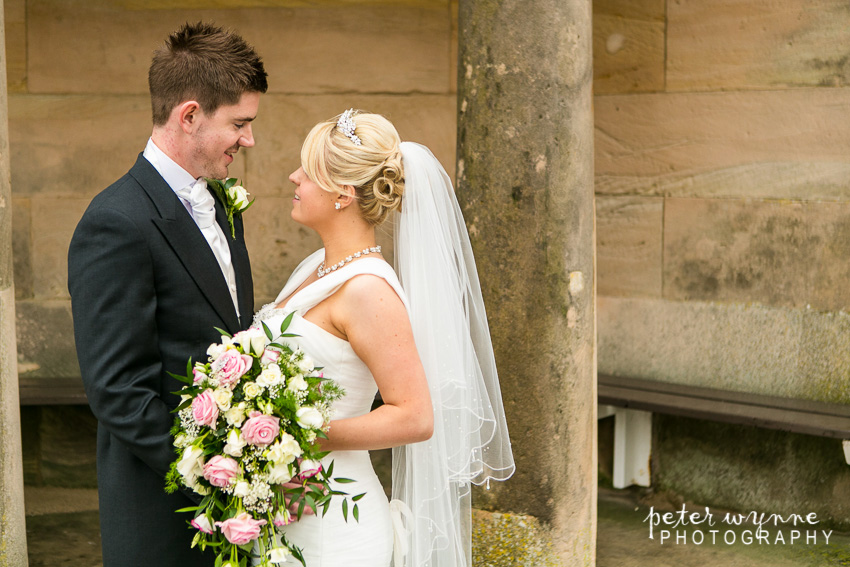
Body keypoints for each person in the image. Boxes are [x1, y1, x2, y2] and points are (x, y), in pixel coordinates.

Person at [252, 110, 514, 566]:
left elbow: (415, 418)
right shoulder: (315, 266)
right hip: (288, 511)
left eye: (307, 170)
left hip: (335, 525)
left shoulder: (369, 290)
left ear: (342, 194)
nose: (293, 176)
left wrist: (300, 437)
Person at [67, 22, 267, 567]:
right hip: (162, 514)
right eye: (240, 124)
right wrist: (218, 481)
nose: (248, 140)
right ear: (190, 115)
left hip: (235, 517)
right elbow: (118, 391)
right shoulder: (116, 221)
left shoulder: (222, 204)